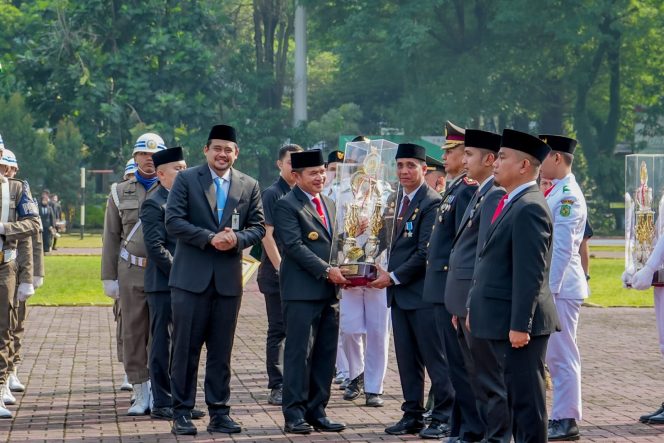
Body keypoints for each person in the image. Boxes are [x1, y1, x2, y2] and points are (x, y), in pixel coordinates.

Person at [165, 124, 264, 436]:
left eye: (229, 149)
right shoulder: (186, 179)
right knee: (185, 349)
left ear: (236, 153)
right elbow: (173, 221)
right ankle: (181, 411)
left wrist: (235, 239)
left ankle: (219, 412)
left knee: (221, 351)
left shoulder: (249, 185)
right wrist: (209, 238)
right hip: (190, 280)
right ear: (206, 150)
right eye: (217, 148)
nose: (223, 154)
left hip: (227, 282)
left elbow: (259, 227)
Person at [467, 128, 560, 443]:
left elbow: (530, 274)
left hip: (520, 326)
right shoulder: (511, 201)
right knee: (513, 398)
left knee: (526, 405)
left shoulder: (529, 206)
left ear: (524, 166)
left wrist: (521, 325)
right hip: (502, 320)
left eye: (503, 157)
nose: (495, 162)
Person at [368, 143, 444, 437]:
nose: (404, 171)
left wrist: (393, 277)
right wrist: (368, 261)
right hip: (399, 296)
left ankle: (441, 415)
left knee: (435, 359)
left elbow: (425, 252)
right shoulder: (394, 200)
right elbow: (386, 241)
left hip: (422, 295)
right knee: (407, 360)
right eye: (399, 165)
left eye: (411, 165)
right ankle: (412, 414)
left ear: (425, 169)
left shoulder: (431, 202)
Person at [273, 149, 349, 435]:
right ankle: (294, 413)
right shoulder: (286, 205)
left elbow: (333, 244)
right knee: (298, 354)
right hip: (301, 292)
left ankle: (318, 410)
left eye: (322, 172)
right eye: (313, 173)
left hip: (329, 293)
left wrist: (350, 238)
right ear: (296, 176)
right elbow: (294, 247)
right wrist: (327, 270)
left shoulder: (328, 202)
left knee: (325, 354)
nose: (320, 177)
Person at [444, 129, 505, 443]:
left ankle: (494, 435)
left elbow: (483, 254)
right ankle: (482, 432)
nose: (463, 159)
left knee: (486, 376)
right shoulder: (481, 191)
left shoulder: (493, 193)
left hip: (474, 301)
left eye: (469, 154)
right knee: (472, 373)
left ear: (489, 159)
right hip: (463, 300)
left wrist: (469, 302)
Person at [421, 121, 479, 440]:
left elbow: (461, 246)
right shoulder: (455, 188)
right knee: (455, 365)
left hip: (450, 287)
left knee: (461, 365)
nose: (446, 157)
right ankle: (460, 426)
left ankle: (469, 428)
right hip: (441, 288)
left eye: (453, 151)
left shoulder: (467, 189)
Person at [138, 146, 205, 422]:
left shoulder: (189, 200)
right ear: (162, 174)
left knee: (186, 342)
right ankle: (163, 401)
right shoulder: (155, 202)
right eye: (179, 168)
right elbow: (155, 247)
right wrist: (182, 273)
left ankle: (183, 400)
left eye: (185, 166)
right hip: (164, 284)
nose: (184, 171)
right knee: (162, 344)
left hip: (189, 284)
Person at [101, 132, 165, 415]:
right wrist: (109, 277)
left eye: (154, 155)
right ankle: (139, 391)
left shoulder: (175, 188)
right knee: (133, 331)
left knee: (164, 332)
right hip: (132, 270)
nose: (148, 159)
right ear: (135, 157)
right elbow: (111, 237)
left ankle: (159, 388)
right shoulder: (118, 191)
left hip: (164, 271)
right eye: (143, 154)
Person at [539, 134, 588, 441]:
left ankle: (566, 418)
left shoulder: (568, 196)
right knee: (553, 355)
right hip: (554, 286)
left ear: (557, 157)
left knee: (561, 355)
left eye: (542, 156)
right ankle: (559, 415)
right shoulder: (556, 191)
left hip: (560, 288)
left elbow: (562, 250)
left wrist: (547, 291)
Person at [256, 143, 303, 406]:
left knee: (299, 329)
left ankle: (296, 380)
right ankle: (277, 383)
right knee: (278, 329)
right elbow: (267, 234)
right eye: (290, 162)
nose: (295, 167)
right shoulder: (273, 194)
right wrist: (281, 267)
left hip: (301, 276)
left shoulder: (304, 193)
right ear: (279, 164)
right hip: (277, 275)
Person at [0, 133, 40, 418]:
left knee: (4, 328)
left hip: (4, 265)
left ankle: (1, 386)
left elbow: (33, 223)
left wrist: (4, 228)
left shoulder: (15, 190)